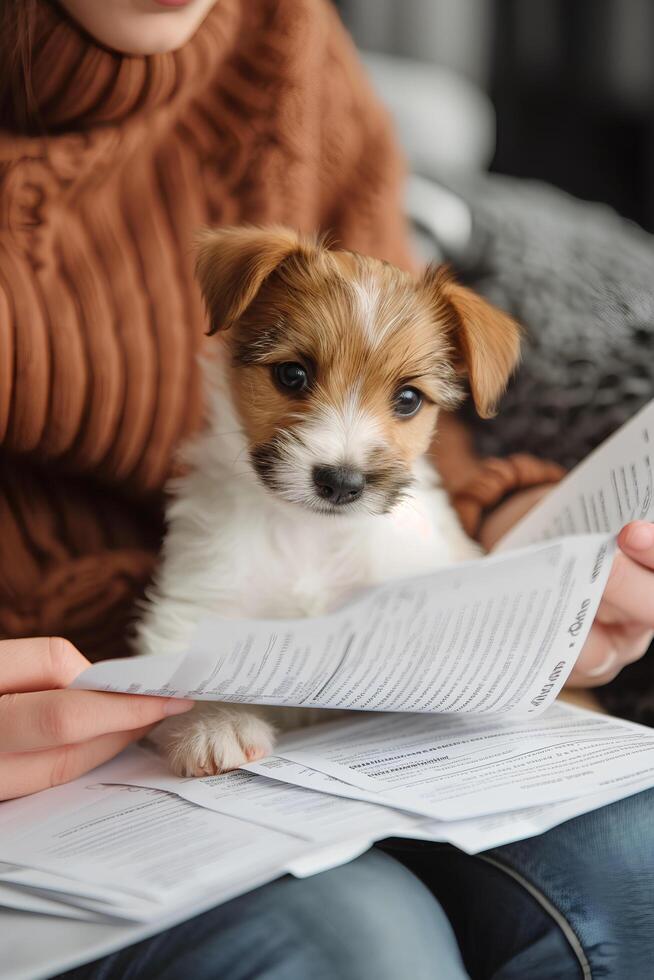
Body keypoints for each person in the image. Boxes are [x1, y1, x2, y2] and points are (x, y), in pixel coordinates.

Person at [0, 1, 652, 976]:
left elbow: (431, 439)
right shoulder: (221, 502)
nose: (343, 449)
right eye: (294, 379)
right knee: (361, 944)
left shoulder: (287, 42)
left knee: (633, 856)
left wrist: (524, 539)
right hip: (73, 745)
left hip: (385, 746)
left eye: (400, 401)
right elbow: (191, 646)